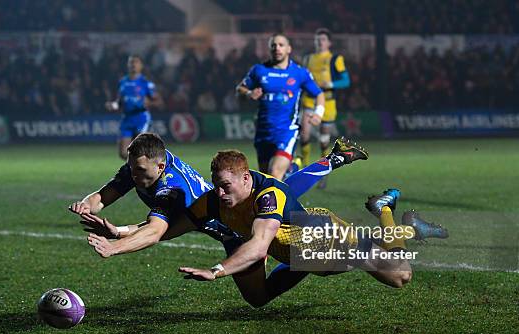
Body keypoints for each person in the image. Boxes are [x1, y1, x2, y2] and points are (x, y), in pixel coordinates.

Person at [178, 150, 448, 308]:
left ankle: (385, 210)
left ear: (246, 178)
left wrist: (217, 270)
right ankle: (406, 227)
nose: (220, 192)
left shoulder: (267, 194)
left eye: (226, 185)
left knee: (401, 275)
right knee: (265, 288)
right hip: (307, 247)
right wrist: (142, 229)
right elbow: (293, 185)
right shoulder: (230, 197)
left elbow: (262, 239)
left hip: (331, 240)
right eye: (217, 185)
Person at [76, 134, 369, 258]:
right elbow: (105, 197)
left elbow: (156, 232)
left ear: (160, 165)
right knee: (284, 190)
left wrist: (116, 244)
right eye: (131, 168)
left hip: (233, 224)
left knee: (263, 283)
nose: (133, 175)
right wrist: (96, 213)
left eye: (138, 170)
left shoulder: (171, 188)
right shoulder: (145, 164)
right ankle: (335, 159)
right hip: (221, 216)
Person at [236, 33, 326, 180]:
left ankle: (288, 172)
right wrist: (249, 93)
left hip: (286, 130)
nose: (277, 48)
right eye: (273, 45)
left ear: (289, 49)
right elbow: (240, 89)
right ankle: (293, 167)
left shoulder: (299, 73)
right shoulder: (259, 70)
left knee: (275, 173)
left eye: (281, 45)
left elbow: (319, 94)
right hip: (263, 131)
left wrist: (318, 113)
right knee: (265, 180)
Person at [300, 28, 351, 188]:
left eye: (322, 39)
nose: (319, 42)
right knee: (304, 134)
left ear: (329, 42)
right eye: (317, 39)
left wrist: (330, 84)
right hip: (309, 101)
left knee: (323, 141)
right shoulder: (307, 59)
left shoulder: (335, 59)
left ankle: (323, 174)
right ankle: (304, 170)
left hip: (327, 103)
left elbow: (346, 81)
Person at [105, 55, 162, 160]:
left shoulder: (146, 83)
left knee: (140, 151)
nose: (133, 65)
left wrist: (150, 103)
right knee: (123, 154)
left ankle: (152, 168)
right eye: (131, 62)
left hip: (141, 118)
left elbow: (159, 102)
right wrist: (113, 105)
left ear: (141, 66)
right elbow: (120, 102)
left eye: (136, 62)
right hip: (127, 118)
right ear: (127, 65)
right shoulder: (123, 82)